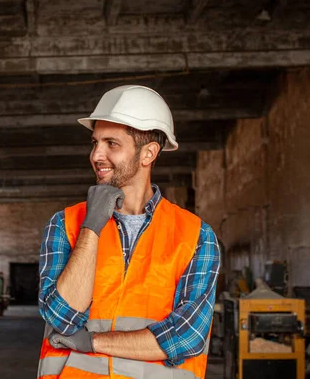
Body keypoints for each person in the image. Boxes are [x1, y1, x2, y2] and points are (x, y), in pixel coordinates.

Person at [37, 85, 220, 379]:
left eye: (112, 143)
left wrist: (93, 342)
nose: (96, 154)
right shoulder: (66, 224)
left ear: (148, 153)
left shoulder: (196, 235)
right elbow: (63, 318)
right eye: (95, 142)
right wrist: (92, 226)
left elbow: (186, 336)